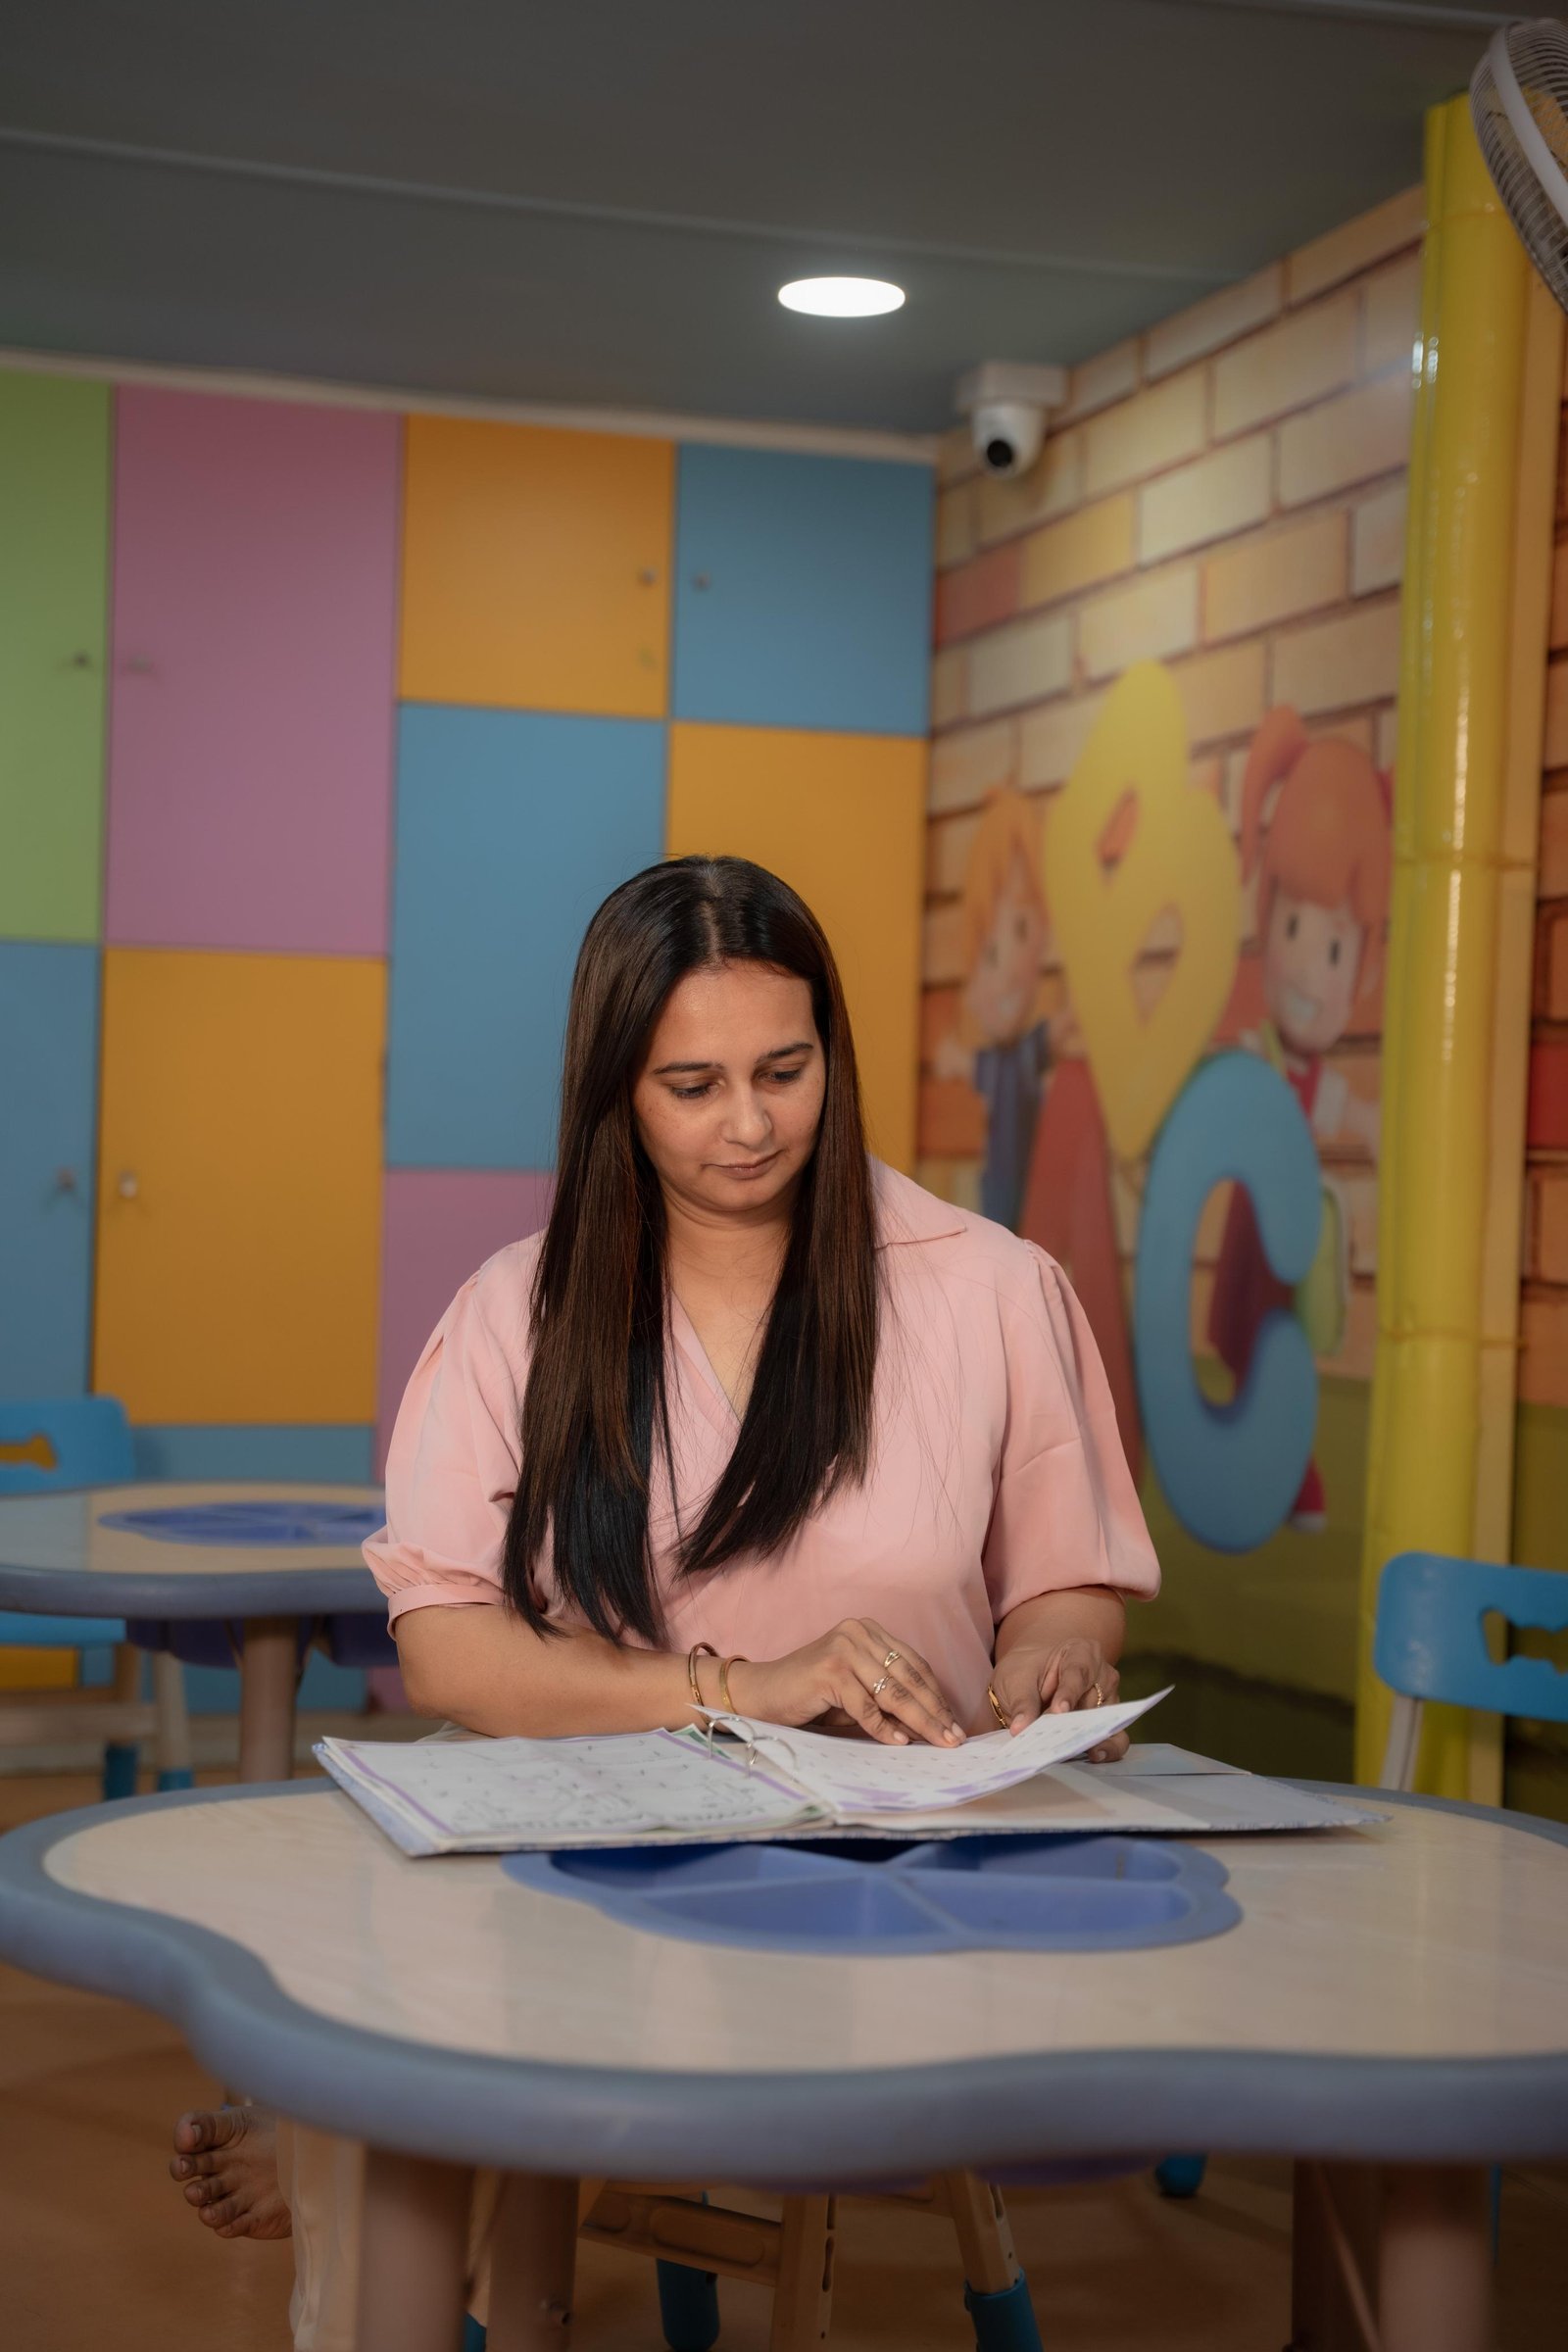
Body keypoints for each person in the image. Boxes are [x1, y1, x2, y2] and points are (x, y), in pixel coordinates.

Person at [171, 854, 1158, 2345]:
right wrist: (735, 1689)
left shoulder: (987, 1288)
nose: (748, 1125)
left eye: (784, 1071)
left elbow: (1066, 1584)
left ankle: (351, 2146)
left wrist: (1057, 1665)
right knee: (399, 1948)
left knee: (432, 2071)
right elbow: (447, 1652)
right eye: (691, 1086)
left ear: (832, 1053)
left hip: (880, 1860)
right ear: (616, 1093)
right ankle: (366, 2154)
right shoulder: (522, 1310)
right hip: (595, 1830)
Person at [1207, 709, 1391, 1529]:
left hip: (1296, 1237)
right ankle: (1257, 1468)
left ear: (1366, 963)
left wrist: (1378, 1130)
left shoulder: (1314, 1079)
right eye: (1292, 927)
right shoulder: (1263, 1055)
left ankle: (1292, 1475)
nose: (1310, 971)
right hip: (1254, 1227)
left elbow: (1350, 1108)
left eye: (1335, 947)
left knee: (1288, 1346)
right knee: (1242, 1339)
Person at [934, 785, 1053, 1232]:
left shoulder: (1023, 1057)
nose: (1010, 971)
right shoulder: (1009, 1061)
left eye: (1023, 929)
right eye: (991, 953)